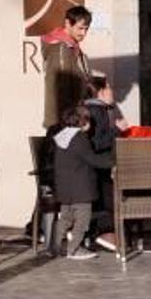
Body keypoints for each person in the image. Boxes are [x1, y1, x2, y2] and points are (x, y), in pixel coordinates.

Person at [50, 105, 113, 260]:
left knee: (65, 218)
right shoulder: (79, 137)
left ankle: (54, 246)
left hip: (65, 188)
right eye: (88, 120)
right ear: (83, 122)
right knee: (82, 220)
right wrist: (113, 161)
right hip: (80, 189)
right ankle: (74, 249)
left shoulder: (62, 137)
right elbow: (92, 159)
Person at [83, 76, 129, 252]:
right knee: (109, 190)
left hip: (95, 165)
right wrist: (117, 130)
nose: (113, 92)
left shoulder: (95, 110)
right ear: (101, 92)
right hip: (97, 166)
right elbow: (97, 143)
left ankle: (103, 231)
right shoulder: (97, 111)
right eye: (110, 88)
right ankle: (106, 232)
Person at [42, 6, 94, 129]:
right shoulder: (61, 48)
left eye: (86, 29)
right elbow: (62, 90)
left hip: (73, 120)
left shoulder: (72, 47)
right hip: (65, 123)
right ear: (67, 23)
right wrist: (72, 122)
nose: (83, 33)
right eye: (80, 28)